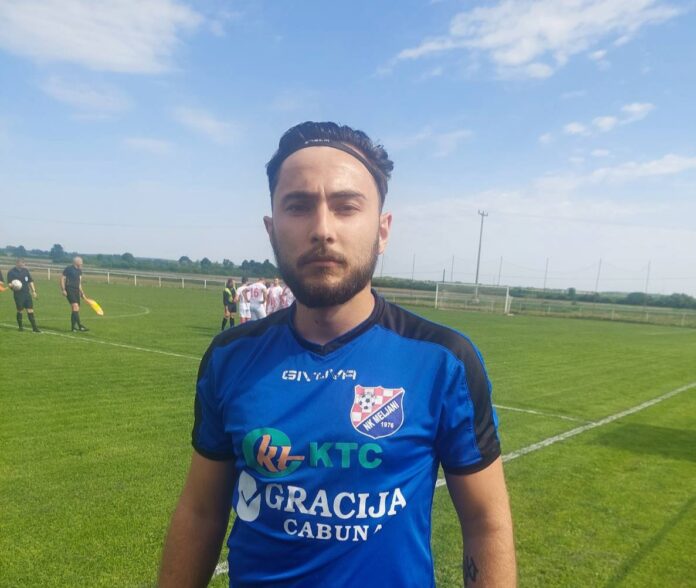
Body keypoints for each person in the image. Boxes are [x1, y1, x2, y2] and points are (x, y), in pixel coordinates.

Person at [160, 122, 516, 587]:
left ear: (382, 230)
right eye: (298, 206)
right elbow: (201, 512)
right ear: (271, 229)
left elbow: (486, 522)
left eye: (346, 207)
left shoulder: (442, 361)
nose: (322, 229)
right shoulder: (230, 357)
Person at [7, 259, 41, 332]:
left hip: (27, 293)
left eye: (24, 263)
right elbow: (9, 283)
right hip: (18, 294)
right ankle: (20, 327)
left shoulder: (25, 271)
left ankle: (34, 328)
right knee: (20, 310)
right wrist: (13, 285)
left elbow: (30, 281)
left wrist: (34, 291)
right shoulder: (11, 272)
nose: (23, 264)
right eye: (22, 263)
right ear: (17, 263)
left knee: (30, 310)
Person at [60, 256, 89, 332]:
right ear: (76, 262)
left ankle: (73, 328)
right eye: (81, 262)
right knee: (75, 306)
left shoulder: (80, 271)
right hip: (69, 289)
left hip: (76, 290)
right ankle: (80, 326)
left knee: (76, 309)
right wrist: (63, 289)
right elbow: (62, 279)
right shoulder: (68, 269)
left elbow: (79, 283)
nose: (82, 263)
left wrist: (82, 293)